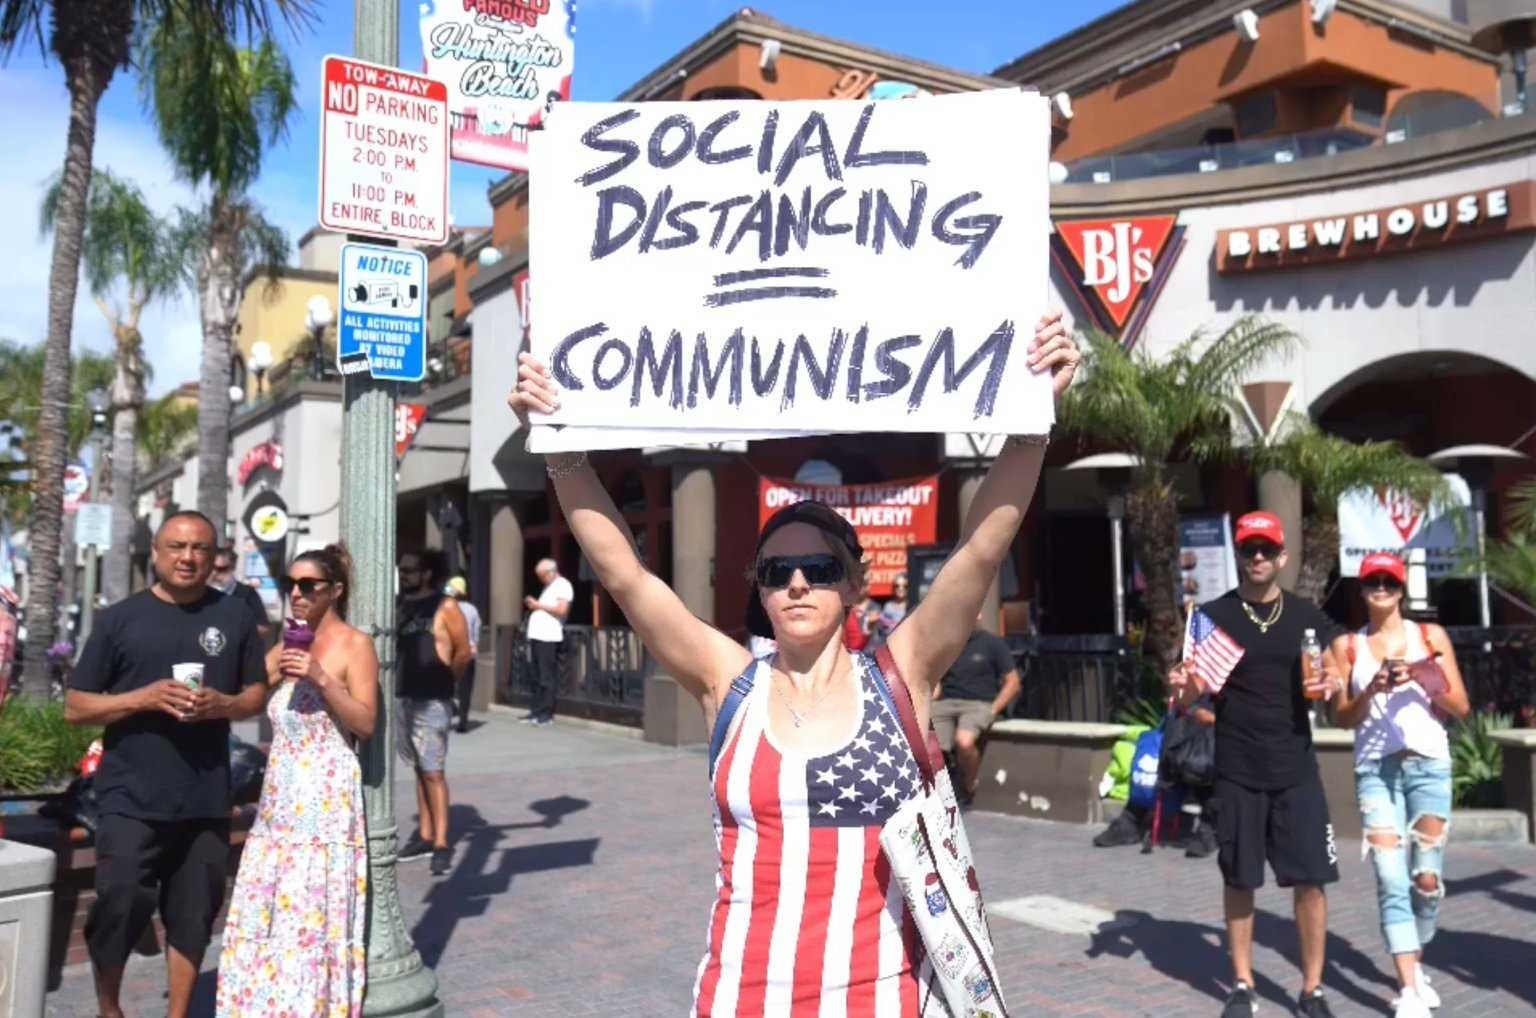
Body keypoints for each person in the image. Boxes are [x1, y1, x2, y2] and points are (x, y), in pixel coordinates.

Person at [509, 311, 1077, 1014]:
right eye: (778, 570)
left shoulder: (901, 675)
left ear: (851, 583)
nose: (798, 583)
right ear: (761, 587)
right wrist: (558, 446)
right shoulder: (729, 682)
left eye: (817, 566)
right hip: (743, 998)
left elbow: (981, 552)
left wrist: (1030, 423)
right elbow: (624, 573)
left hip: (883, 1001)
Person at [64, 511, 268, 1018]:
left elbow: (256, 694)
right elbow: (76, 707)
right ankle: (110, 1008)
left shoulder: (235, 616)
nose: (188, 557)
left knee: (195, 914)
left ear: (214, 557)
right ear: (156, 553)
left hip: (204, 795)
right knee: (120, 901)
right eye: (176, 546)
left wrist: (222, 705)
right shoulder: (120, 619)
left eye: (199, 548)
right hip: (130, 794)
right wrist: (143, 698)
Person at [1169, 511, 1347, 1018]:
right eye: (1250, 550)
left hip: (1296, 769)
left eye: (1268, 549)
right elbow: (1193, 689)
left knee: (1311, 881)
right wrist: (1183, 688)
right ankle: (1243, 984)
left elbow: (1339, 654)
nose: (1260, 558)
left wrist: (1335, 675)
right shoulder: (1212, 616)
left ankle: (1311, 989)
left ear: (1282, 556)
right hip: (1238, 769)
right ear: (1240, 555)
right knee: (1240, 879)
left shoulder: (1305, 615)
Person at [216, 544, 376, 1017]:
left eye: (309, 586)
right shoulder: (287, 642)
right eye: (291, 586)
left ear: (336, 591)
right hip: (282, 792)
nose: (298, 595)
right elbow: (245, 696)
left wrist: (322, 678)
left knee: (309, 910)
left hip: (325, 793)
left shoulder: (355, 645)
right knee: (271, 906)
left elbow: (365, 723)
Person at [1328, 552, 1470, 1018]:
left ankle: (1416, 958)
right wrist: (1370, 690)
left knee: (1425, 879)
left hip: (1429, 763)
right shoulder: (1347, 646)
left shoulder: (1430, 638)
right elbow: (1339, 716)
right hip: (1375, 768)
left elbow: (1461, 707)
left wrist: (1421, 675)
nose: (1382, 589)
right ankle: (1408, 988)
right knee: (1390, 877)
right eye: (1373, 582)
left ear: (1402, 588)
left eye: (1390, 581)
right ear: (1362, 589)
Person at [396, 549, 472, 876]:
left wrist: (446, 678)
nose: (404, 575)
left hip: (433, 699)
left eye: (410, 570)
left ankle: (441, 842)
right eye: (401, 570)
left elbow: (463, 652)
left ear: (427, 573)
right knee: (417, 768)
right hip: (404, 695)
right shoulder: (400, 605)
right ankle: (425, 834)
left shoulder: (446, 605)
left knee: (434, 771)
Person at [930, 617, 1021, 803]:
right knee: (929, 745)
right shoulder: (949, 645)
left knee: (964, 741)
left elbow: (1013, 683)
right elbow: (938, 680)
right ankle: (936, 792)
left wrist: (994, 709)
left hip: (979, 703)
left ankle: (970, 784)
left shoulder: (993, 644)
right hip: (946, 702)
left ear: (978, 615)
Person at [522, 557, 572, 725]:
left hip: (548, 636)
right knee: (536, 675)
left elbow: (562, 610)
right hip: (538, 636)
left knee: (546, 676)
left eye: (542, 576)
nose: (541, 579)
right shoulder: (549, 587)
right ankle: (536, 710)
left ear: (551, 572)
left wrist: (538, 606)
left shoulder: (563, 585)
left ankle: (546, 712)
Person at [212, 547, 273, 643]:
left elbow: (264, 628)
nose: (214, 573)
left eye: (221, 569)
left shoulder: (247, 593)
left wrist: (236, 629)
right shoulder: (202, 592)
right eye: (211, 568)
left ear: (232, 567)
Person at [446, 576, 482, 733]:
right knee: (465, 688)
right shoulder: (472, 609)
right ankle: (463, 721)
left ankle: (445, 718)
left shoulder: (445, 607)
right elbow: (476, 632)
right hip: (468, 652)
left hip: (449, 653)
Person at [842, 575, 880, 652]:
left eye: (865, 584)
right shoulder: (847, 608)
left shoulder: (875, 607)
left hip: (871, 651)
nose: (863, 588)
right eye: (861, 584)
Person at [874, 573, 909, 642]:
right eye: (897, 586)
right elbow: (881, 629)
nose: (900, 589)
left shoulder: (912, 604)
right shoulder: (888, 606)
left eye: (905, 586)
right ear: (893, 588)